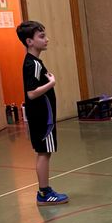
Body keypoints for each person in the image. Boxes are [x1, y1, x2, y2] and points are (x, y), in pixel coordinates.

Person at [16, 20, 68, 205]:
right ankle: (44, 193)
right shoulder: (33, 65)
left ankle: (45, 190)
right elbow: (31, 93)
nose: (46, 39)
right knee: (44, 152)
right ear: (29, 41)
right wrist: (51, 84)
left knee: (45, 152)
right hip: (42, 117)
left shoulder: (35, 62)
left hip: (43, 115)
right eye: (41, 36)